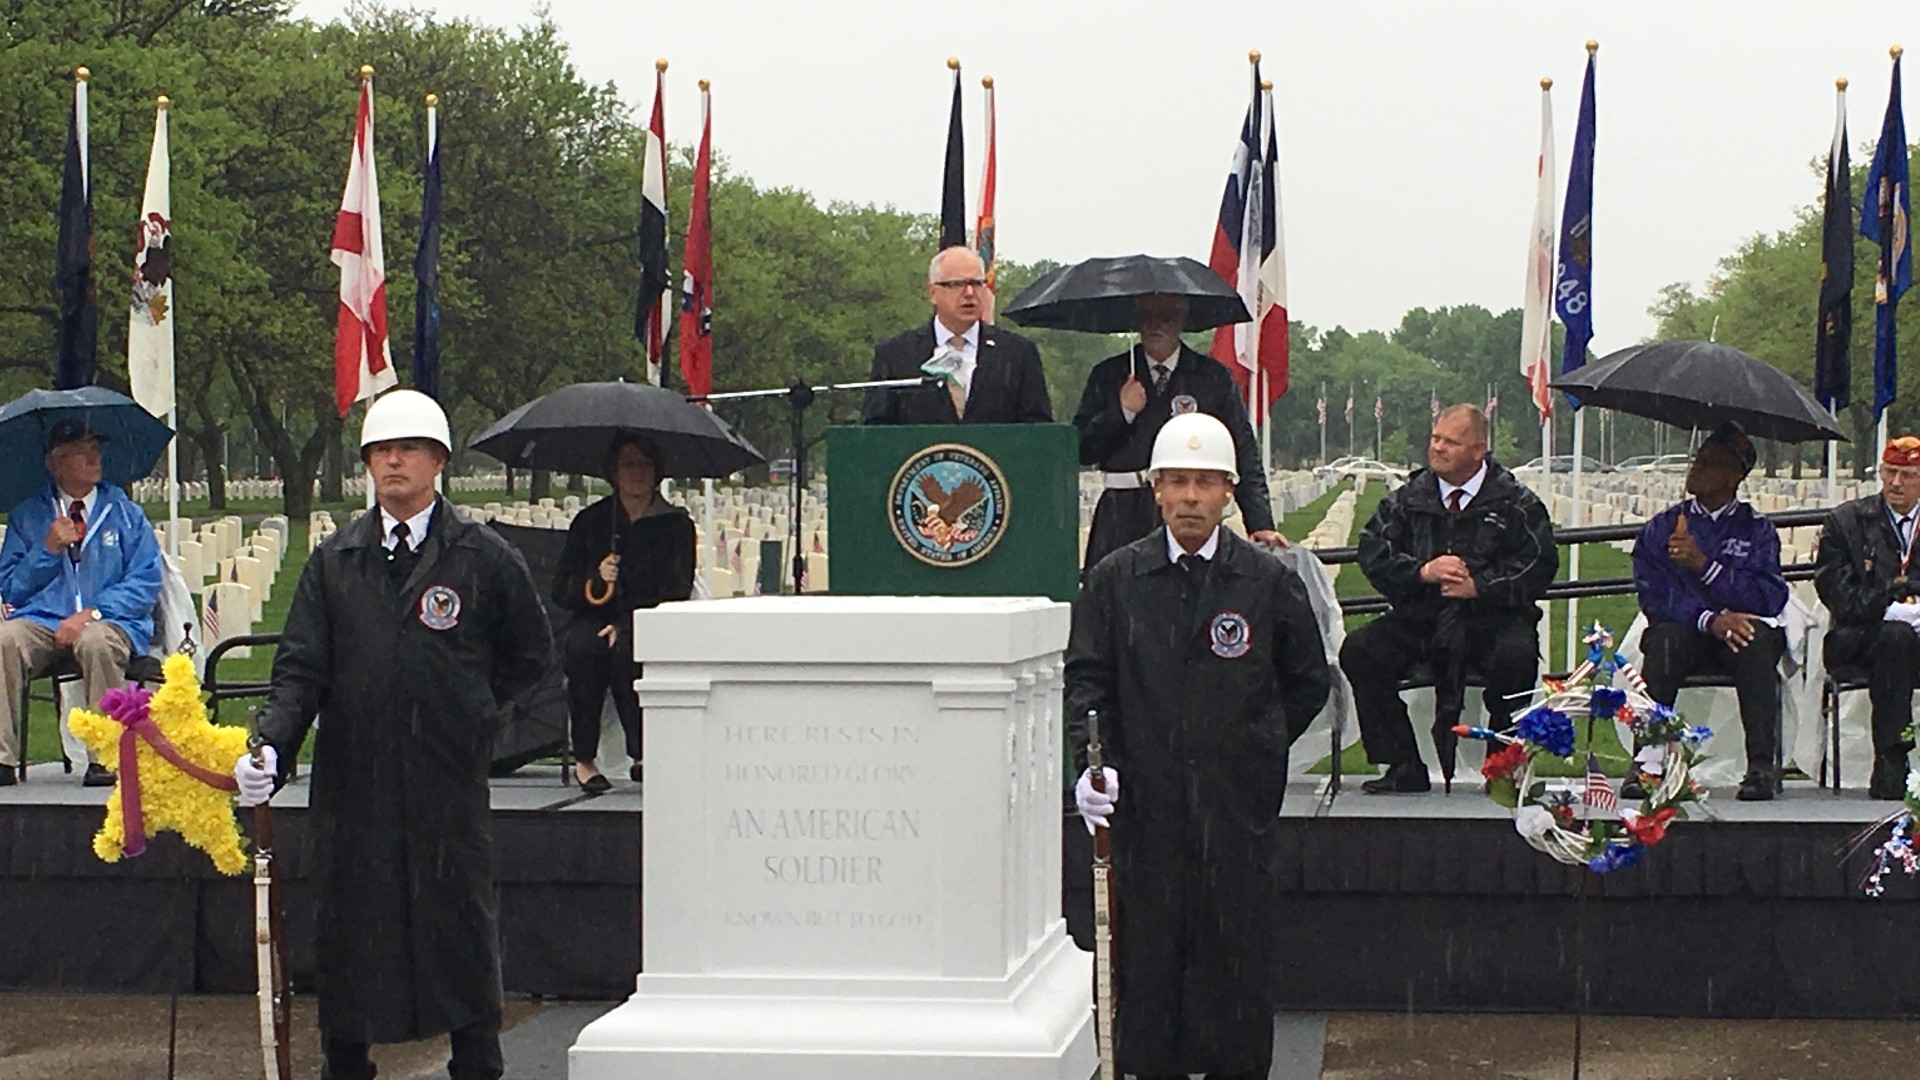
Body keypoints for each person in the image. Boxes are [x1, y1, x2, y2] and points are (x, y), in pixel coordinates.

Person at [233, 389, 553, 1080]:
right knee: (351, 928)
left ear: (437, 460)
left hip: (446, 782)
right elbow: (300, 669)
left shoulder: (483, 557)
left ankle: (476, 1061)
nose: (393, 462)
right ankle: (345, 1063)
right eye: (381, 450)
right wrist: (273, 746)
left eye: (407, 449)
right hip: (356, 782)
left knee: (459, 926)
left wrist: (474, 720)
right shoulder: (335, 561)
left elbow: (531, 659)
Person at [1066, 412, 1331, 1080]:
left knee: (1234, 964)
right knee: (1151, 965)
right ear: (1155, 489)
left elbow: (1305, 681)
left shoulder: (1265, 583)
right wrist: (1092, 765)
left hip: (1234, 814)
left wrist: (1255, 748)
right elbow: (1089, 681)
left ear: (1228, 493)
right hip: (1146, 810)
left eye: (1205, 483)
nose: (1190, 497)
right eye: (1178, 481)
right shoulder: (1115, 580)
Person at [1341, 404, 1557, 794]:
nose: (1437, 448)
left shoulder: (1515, 503)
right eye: (1436, 438)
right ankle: (1402, 764)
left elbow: (1539, 563)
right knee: (1361, 650)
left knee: (1517, 657)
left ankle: (1502, 768)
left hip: (1493, 619)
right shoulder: (1408, 498)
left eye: (1450, 442)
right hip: (1421, 616)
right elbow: (1373, 550)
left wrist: (1482, 586)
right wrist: (1423, 571)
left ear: (1478, 450)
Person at [1629, 422, 1788, 802]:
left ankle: (1761, 767)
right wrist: (1709, 619)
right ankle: (1648, 763)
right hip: (1687, 630)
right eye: (1697, 460)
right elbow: (1655, 595)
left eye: (1711, 463)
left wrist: (1704, 565)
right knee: (1664, 641)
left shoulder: (1756, 530)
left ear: (1735, 477)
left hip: (1738, 632)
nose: (1696, 469)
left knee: (1755, 642)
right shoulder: (1664, 527)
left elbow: (1767, 597)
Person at [0, 419, 164, 787]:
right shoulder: (28, 517)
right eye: (80, 453)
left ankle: (104, 756)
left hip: (109, 620)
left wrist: (91, 614)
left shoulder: (125, 515)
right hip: (44, 622)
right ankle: (1, 759)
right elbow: (11, 589)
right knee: (3, 640)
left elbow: (145, 580)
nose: (94, 459)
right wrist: (46, 550)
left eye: (96, 450)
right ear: (54, 463)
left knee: (96, 641)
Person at [1072, 293, 1281, 574]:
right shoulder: (1109, 374)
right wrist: (1122, 412)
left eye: (1165, 317)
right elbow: (1082, 448)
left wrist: (1260, 523)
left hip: (1187, 507)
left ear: (1182, 319)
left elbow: (1242, 451)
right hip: (1121, 512)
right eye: (1146, 317)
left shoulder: (1212, 377)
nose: (1154, 325)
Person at [553, 435, 693, 791]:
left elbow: (676, 587)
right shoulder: (591, 522)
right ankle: (585, 757)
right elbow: (562, 588)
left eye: (644, 464)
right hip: (593, 617)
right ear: (613, 472)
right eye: (628, 464)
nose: (637, 472)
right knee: (584, 649)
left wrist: (625, 623)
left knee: (628, 649)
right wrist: (596, 578)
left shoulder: (676, 526)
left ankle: (642, 753)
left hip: (650, 620)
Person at [1815, 435, 1920, 799]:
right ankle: (1892, 760)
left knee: (1903, 637)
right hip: (1859, 638)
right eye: (1890, 472)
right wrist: (1888, 601)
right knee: (1895, 637)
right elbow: (1837, 594)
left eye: (1908, 475)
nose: (1896, 483)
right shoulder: (1847, 522)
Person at [860, 245, 1053, 426]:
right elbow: (876, 430)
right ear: (933, 292)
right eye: (957, 284)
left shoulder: (1017, 353)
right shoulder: (896, 354)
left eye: (977, 283)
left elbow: (1038, 429)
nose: (969, 293)